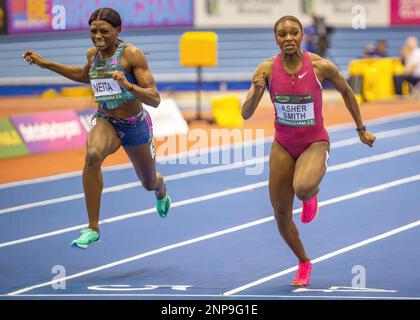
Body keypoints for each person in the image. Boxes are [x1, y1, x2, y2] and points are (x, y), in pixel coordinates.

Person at [241, 16, 375, 286]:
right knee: (280, 214)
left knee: (302, 188)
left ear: (302, 35)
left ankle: (310, 194)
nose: (288, 38)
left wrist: (361, 128)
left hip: (314, 141)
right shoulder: (266, 69)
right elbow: (245, 113)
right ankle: (303, 261)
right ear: (276, 38)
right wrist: (257, 92)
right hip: (283, 143)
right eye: (282, 34)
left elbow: (348, 92)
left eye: (294, 33)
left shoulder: (320, 66)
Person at [22, 7, 171, 249]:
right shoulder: (93, 55)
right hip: (106, 121)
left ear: (118, 31)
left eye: (104, 31)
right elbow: (84, 75)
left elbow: (154, 98)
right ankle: (92, 227)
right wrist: (45, 64)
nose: (97, 37)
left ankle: (160, 187)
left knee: (148, 182)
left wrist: (127, 85)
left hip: (134, 126)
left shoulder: (131, 55)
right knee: (92, 156)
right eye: (93, 31)